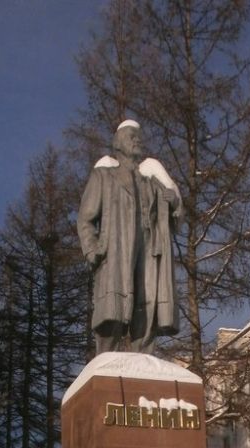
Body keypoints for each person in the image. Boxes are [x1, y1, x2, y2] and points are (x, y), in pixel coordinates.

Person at [77, 120, 181, 355]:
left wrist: (172, 201)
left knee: (147, 306)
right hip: (115, 252)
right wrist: (92, 248)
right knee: (112, 313)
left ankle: (143, 359)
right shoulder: (104, 176)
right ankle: (105, 362)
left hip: (148, 250)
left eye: (138, 136)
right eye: (130, 135)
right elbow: (85, 218)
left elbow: (175, 212)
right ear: (117, 143)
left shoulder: (150, 180)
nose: (137, 139)